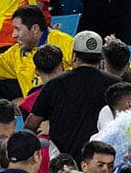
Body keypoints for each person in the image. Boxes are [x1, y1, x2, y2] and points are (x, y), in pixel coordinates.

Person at [25, 32, 120, 165]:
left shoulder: (53, 85)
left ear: (74, 56)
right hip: (103, 166)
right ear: (100, 59)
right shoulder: (116, 85)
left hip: (64, 168)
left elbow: (30, 126)